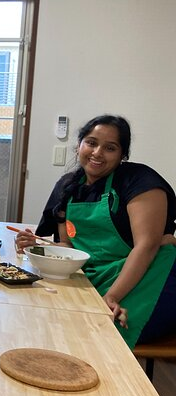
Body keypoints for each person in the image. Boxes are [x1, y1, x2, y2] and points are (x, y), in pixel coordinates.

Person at [18, 114, 176, 349]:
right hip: (97, 274)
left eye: (110, 148)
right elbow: (70, 248)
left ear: (122, 155)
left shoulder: (140, 181)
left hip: (151, 278)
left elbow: (147, 246)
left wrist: (112, 297)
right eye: (91, 143)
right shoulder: (67, 186)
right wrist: (36, 246)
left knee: (96, 333)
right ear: (79, 145)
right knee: (49, 319)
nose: (97, 153)